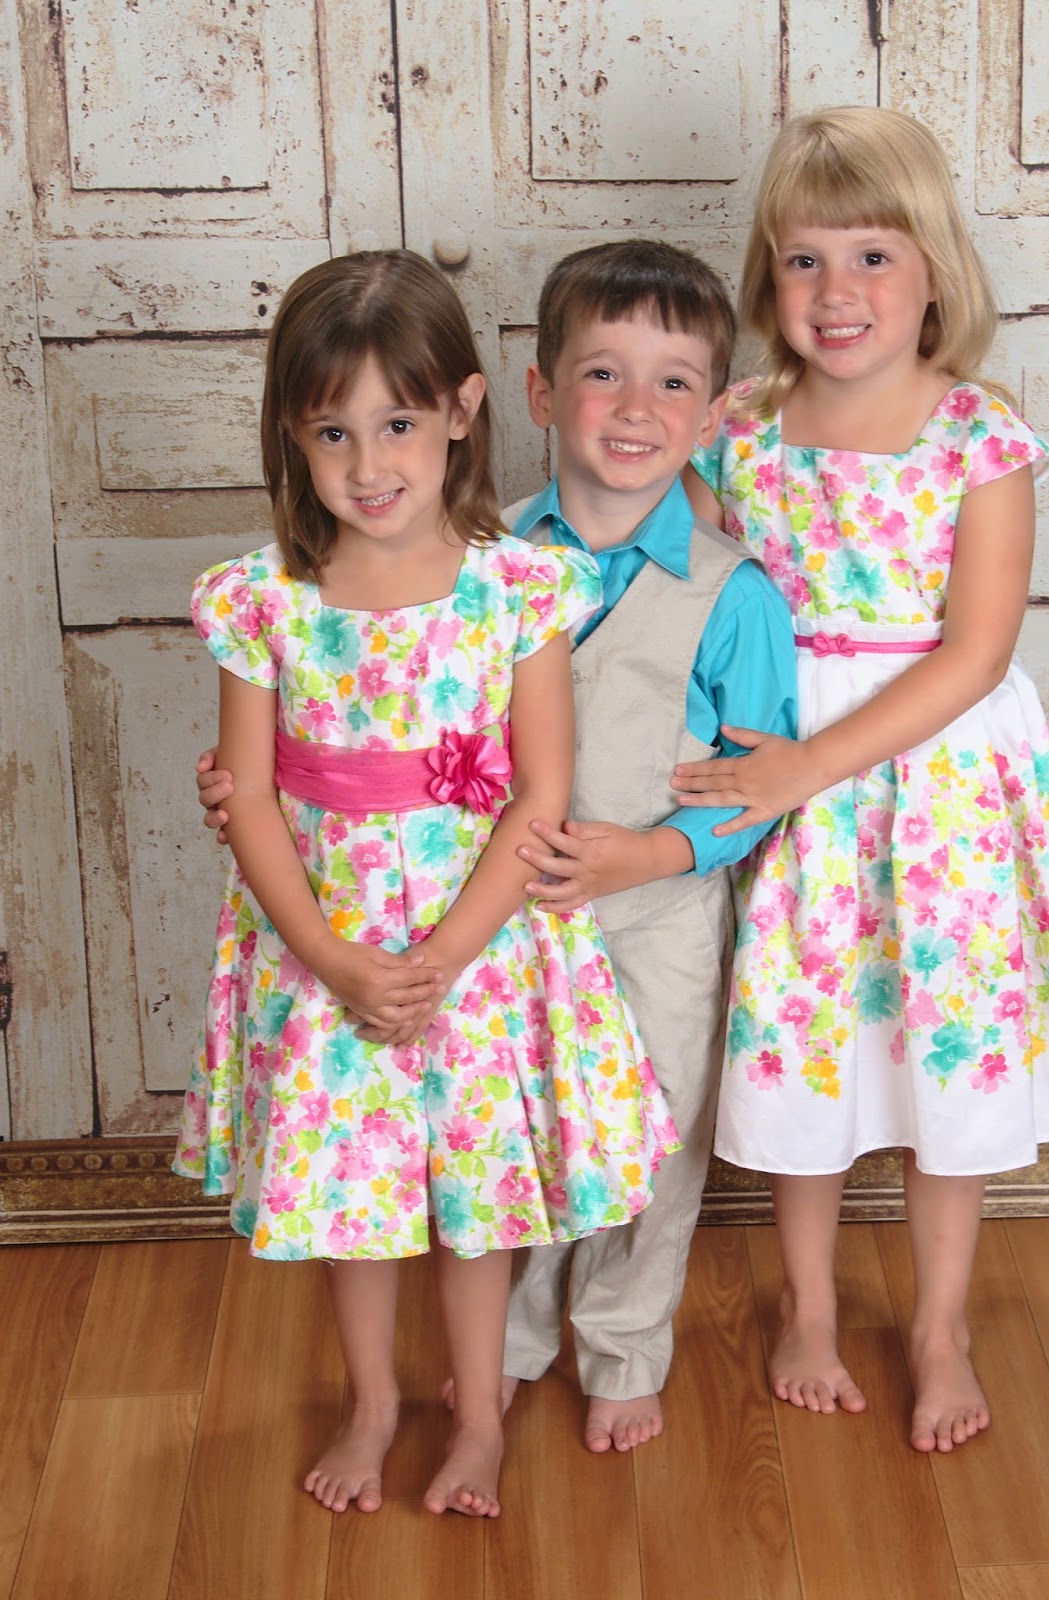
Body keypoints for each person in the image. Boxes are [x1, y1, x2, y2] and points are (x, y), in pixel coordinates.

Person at [197, 238, 800, 1457]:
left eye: (670, 384)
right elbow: (297, 761)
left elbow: (744, 773)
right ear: (534, 394)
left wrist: (650, 857)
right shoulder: (473, 553)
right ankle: (491, 1362)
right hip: (457, 926)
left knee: (638, 1136)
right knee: (492, 1149)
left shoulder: (685, 587)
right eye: (600, 375)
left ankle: (613, 1348)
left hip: (606, 919)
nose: (631, 409)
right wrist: (282, 817)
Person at [675, 106, 1049, 1454]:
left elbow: (975, 650)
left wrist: (805, 769)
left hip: (938, 785)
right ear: (768, 276)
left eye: (872, 256)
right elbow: (681, 600)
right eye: (804, 260)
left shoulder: (974, 435)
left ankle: (940, 1324)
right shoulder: (739, 429)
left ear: (935, 269)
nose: (837, 291)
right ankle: (808, 1306)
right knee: (805, 1036)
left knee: (950, 1039)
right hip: (782, 772)